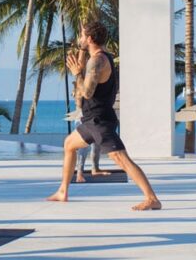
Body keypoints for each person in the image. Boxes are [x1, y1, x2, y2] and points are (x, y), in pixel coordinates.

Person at [46, 18, 161, 211]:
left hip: (100, 121)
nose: (79, 38)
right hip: (91, 120)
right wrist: (82, 52)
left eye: (82, 35)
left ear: (90, 38)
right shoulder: (99, 56)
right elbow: (85, 70)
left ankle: (151, 198)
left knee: (121, 159)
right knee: (69, 144)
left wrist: (76, 73)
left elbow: (87, 92)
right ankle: (63, 191)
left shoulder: (98, 61)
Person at [73, 73, 107, 184]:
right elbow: (79, 104)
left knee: (96, 145)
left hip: (94, 119)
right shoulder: (81, 88)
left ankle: (95, 168)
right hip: (82, 119)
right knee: (83, 147)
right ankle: (79, 173)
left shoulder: (94, 87)